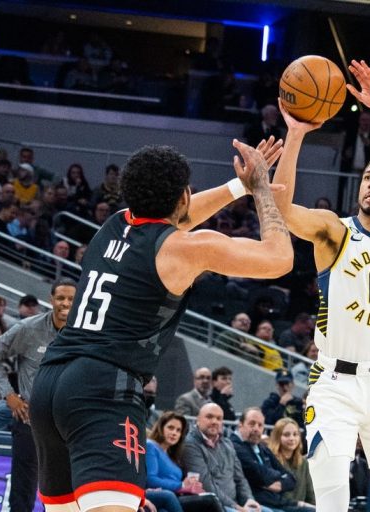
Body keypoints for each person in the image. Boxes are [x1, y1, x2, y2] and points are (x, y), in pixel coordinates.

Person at [29, 136, 292, 511]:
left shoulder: (114, 225)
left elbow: (180, 215)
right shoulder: (182, 248)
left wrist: (239, 186)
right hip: (103, 388)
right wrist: (262, 189)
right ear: (184, 196)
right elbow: (278, 258)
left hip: (51, 383)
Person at [272, 59, 370, 512]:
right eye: (368, 177)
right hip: (334, 384)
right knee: (331, 503)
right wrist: (298, 134)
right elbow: (281, 207)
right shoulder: (334, 231)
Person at [0, 279, 76, 512]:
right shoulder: (29, 328)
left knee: (67, 492)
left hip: (68, 424)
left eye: (71, 299)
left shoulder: (86, 334)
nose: (65, 303)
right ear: (51, 299)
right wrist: (9, 395)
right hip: (30, 420)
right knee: (23, 491)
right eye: (61, 298)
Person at [183, 404, 267, 512]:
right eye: (209, 417)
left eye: (219, 418)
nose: (215, 421)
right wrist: (235, 506)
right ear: (198, 420)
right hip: (214, 505)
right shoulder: (191, 444)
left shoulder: (227, 443)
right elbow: (206, 485)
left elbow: (240, 478)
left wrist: (249, 499)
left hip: (236, 503)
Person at [231, 407, 307, 511]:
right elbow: (258, 473)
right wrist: (278, 477)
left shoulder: (262, 448)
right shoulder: (235, 446)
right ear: (240, 424)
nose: (256, 429)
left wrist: (276, 484)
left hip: (277, 502)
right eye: (252, 424)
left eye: (260, 425)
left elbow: (291, 479)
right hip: (258, 503)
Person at [145, 411, 221, 512]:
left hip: (176, 496)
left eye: (178, 430)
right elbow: (150, 480)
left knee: (208, 497)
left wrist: (189, 486)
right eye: (170, 428)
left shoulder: (172, 456)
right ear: (161, 427)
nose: (174, 433)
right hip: (163, 496)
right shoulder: (151, 446)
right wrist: (182, 485)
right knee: (210, 500)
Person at [268, 418, 316, 508]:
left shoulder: (304, 463)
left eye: (295, 434)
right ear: (277, 437)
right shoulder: (270, 460)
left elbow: (311, 495)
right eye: (286, 435)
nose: (292, 438)